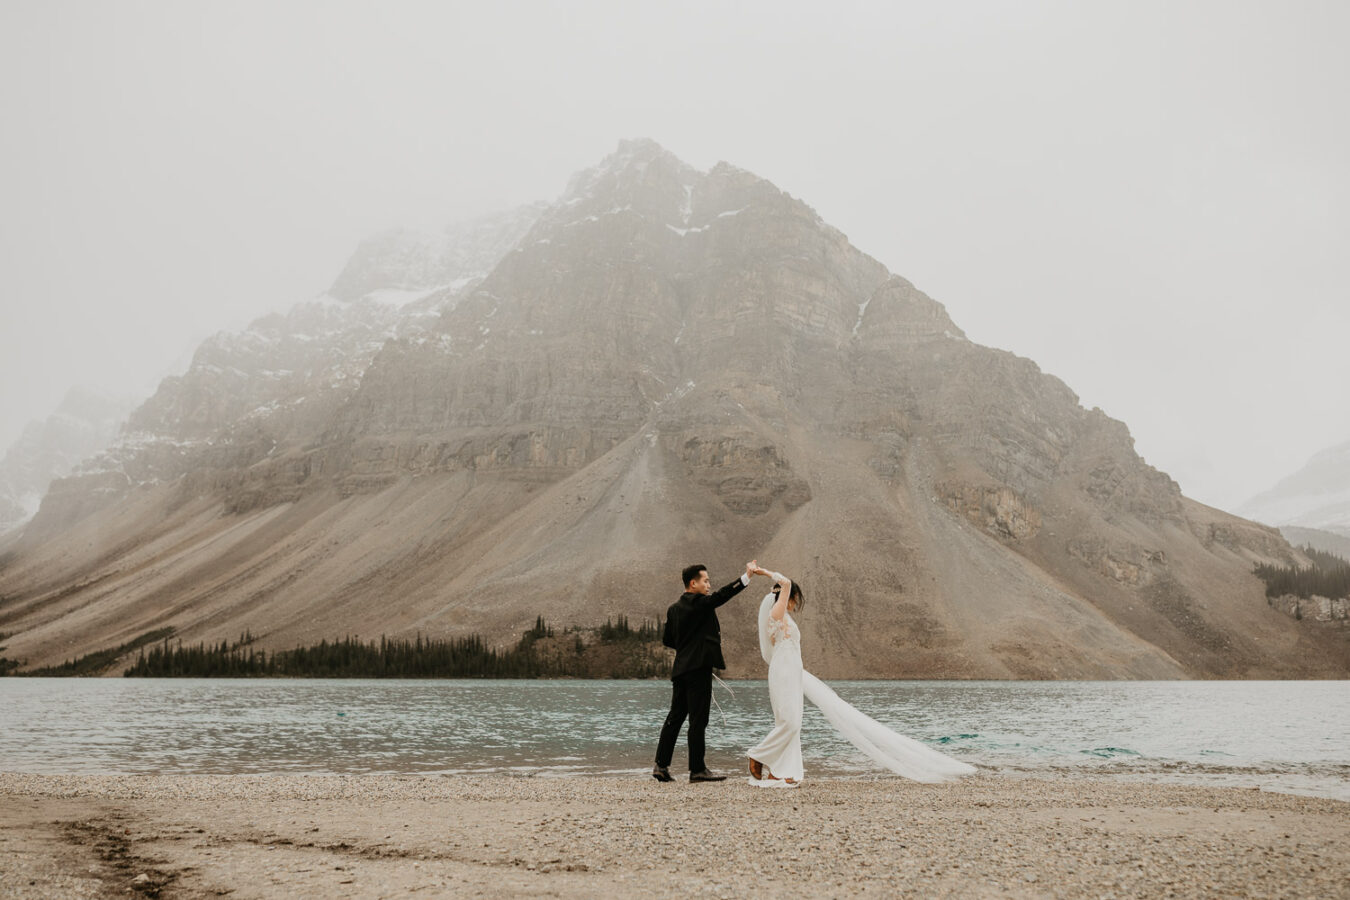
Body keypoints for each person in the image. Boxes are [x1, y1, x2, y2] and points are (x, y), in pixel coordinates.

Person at [746, 566, 977, 787]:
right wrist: (765, 573)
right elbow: (784, 582)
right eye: (794, 597)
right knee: (789, 721)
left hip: (794, 672)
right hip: (783, 673)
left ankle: (780, 771)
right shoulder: (776, 615)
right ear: (786, 596)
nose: (795, 603)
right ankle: (757, 755)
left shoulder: (787, 620)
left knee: (793, 722)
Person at [653, 560, 759, 783]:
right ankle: (697, 770)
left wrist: (688, 647)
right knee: (698, 720)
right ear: (693, 583)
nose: (709, 585)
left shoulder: (674, 609)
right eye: (706, 580)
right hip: (698, 669)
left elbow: (667, 640)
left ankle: (661, 766)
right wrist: (745, 577)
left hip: (680, 669)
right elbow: (721, 596)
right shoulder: (700, 603)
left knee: (675, 717)